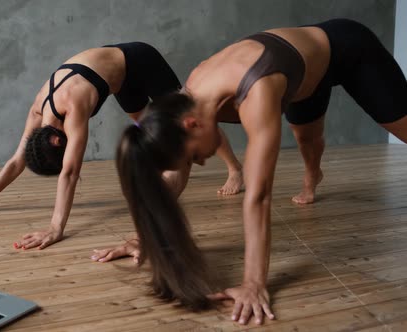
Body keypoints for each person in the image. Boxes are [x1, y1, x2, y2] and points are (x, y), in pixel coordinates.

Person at [107, 19, 407, 325]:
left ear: (192, 125)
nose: (200, 163)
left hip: (347, 50)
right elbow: (174, 174)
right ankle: (312, 177)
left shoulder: (256, 91)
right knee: (307, 139)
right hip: (304, 77)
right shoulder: (184, 105)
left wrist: (254, 283)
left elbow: (259, 196)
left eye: (195, 156)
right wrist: (142, 235)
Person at [0, 42, 244, 250]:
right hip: (120, 79)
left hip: (140, 59)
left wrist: (55, 227)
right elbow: (16, 160)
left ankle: (234, 169)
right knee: (150, 130)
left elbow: (71, 172)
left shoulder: (73, 105)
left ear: (57, 140)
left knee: (186, 122)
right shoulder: (38, 111)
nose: (69, 155)